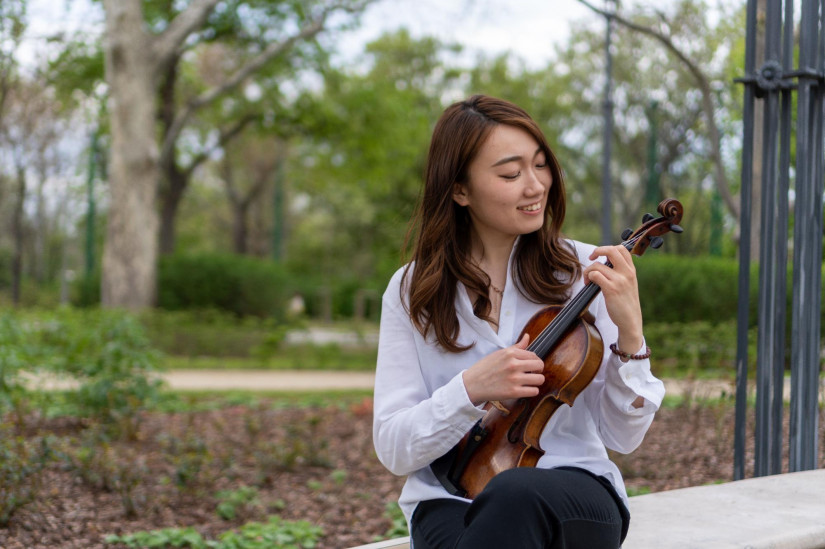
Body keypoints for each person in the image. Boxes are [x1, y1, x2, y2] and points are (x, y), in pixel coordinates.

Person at [372, 94, 665, 549]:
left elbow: (622, 437)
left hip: (573, 494)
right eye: (510, 173)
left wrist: (631, 334)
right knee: (495, 515)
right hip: (451, 501)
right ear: (459, 189)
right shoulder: (413, 290)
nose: (536, 186)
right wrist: (469, 389)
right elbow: (394, 448)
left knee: (513, 494)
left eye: (541, 165)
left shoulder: (587, 271)